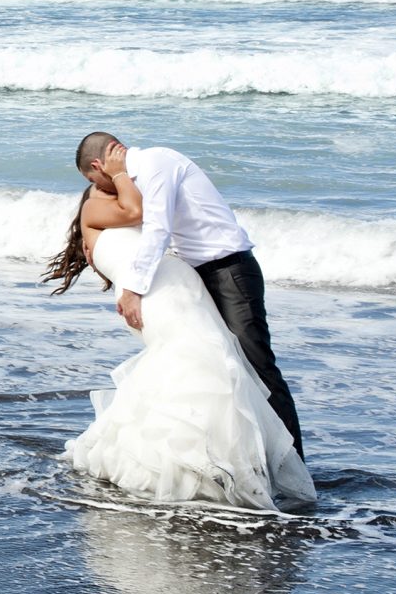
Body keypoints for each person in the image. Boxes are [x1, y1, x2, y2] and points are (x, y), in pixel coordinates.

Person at [44, 141, 314, 509]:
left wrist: (133, 286)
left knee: (257, 367)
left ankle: (291, 467)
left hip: (228, 270)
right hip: (200, 277)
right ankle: (224, 464)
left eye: (95, 179)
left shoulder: (156, 164)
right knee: (216, 371)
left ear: (98, 164)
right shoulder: (112, 195)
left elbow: (155, 227)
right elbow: (145, 228)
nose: (98, 188)